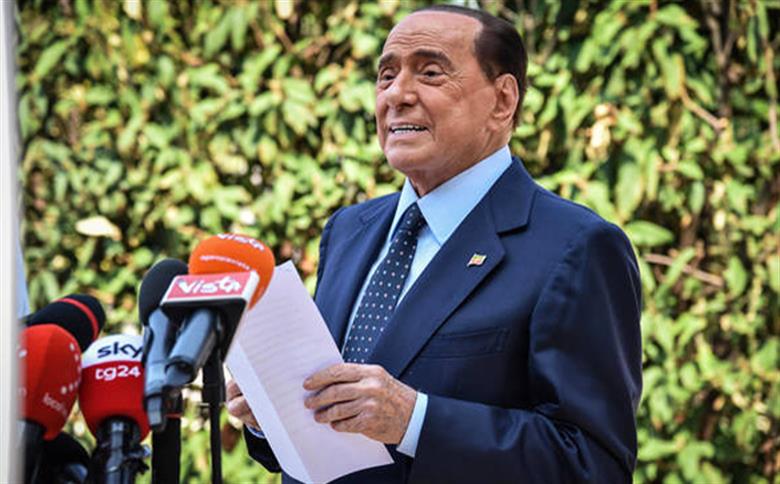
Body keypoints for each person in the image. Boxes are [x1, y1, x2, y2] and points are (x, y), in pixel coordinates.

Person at [227, 5, 642, 483]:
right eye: (386, 76)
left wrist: (415, 421)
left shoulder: (576, 247)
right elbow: (333, 427)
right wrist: (274, 417)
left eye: (429, 73)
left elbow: (592, 464)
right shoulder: (348, 229)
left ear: (503, 100)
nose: (397, 95)